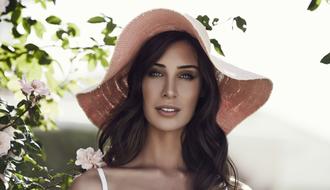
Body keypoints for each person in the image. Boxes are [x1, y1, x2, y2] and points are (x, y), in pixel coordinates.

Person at [70, 8, 272, 190]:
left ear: (202, 89)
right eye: (156, 73)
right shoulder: (94, 186)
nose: (169, 91)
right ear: (140, 84)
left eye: (186, 76)